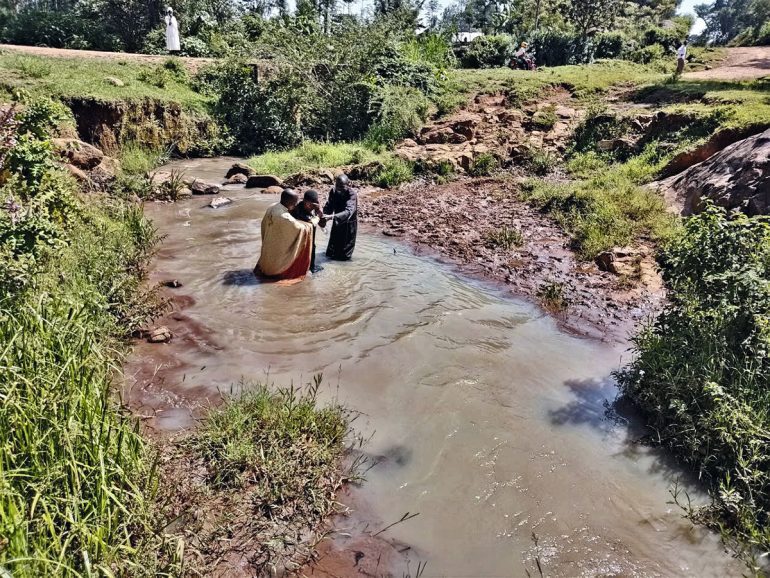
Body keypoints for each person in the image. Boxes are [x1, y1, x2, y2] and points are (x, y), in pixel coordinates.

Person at [254, 189, 314, 281]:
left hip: (269, 246)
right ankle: (276, 272)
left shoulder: (272, 206)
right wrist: (313, 222)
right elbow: (300, 228)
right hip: (276, 264)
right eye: (294, 203)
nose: (295, 206)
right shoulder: (285, 217)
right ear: (289, 202)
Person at [323, 174, 358, 261]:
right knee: (331, 253)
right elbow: (329, 206)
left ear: (348, 184)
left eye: (342, 187)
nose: (339, 189)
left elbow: (349, 212)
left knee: (344, 256)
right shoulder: (334, 191)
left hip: (348, 226)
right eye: (337, 186)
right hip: (337, 223)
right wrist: (323, 215)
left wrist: (331, 217)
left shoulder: (352, 195)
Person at [291, 189, 326, 273]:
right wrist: (317, 217)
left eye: (311, 204)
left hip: (310, 239)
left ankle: (311, 267)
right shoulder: (298, 209)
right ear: (304, 201)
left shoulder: (314, 209)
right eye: (307, 204)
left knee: (313, 247)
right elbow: (310, 223)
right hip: (299, 240)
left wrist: (319, 211)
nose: (309, 206)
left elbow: (322, 225)